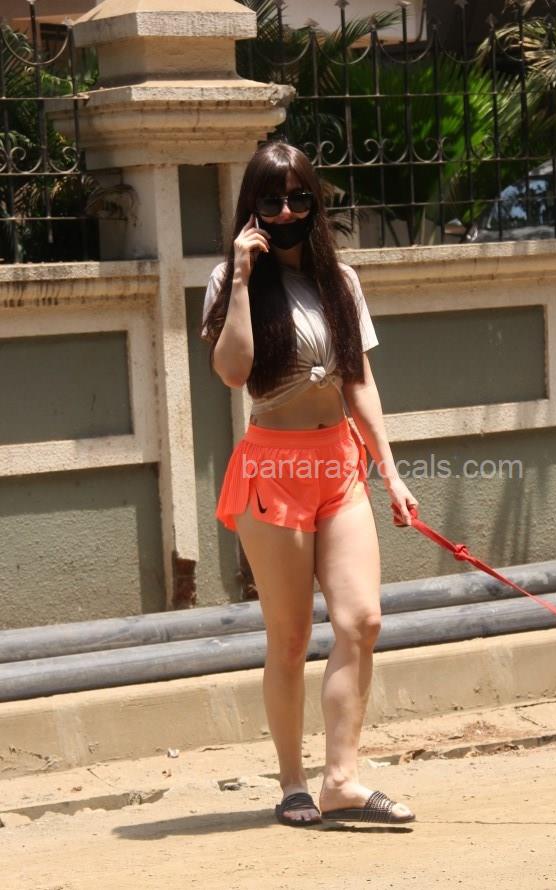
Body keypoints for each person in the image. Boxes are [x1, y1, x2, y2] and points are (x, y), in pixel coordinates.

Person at [201, 141, 418, 827]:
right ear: (252, 208)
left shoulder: (340, 281)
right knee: (290, 636)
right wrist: (241, 279)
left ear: (316, 203)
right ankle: (293, 782)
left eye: (299, 198)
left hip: (338, 465)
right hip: (274, 471)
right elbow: (233, 373)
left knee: (361, 620)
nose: (287, 212)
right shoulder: (228, 281)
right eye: (272, 200)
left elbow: (359, 382)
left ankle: (342, 779)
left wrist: (390, 471)